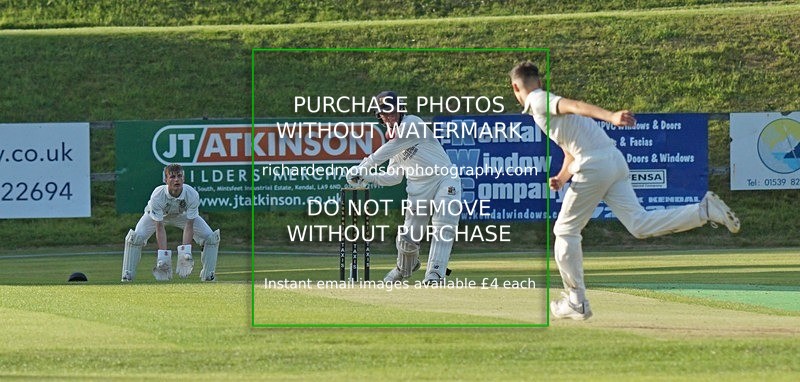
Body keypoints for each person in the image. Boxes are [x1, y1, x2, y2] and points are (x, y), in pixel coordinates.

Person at [509, 61, 740, 320]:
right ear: (538, 81)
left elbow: (574, 105)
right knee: (639, 224)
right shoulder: (545, 107)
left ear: (516, 87)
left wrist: (611, 116)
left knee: (564, 231)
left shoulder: (539, 100)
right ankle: (703, 210)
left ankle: (576, 301)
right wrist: (563, 178)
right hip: (612, 160)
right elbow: (569, 149)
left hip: (595, 164)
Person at [347, 90, 461, 284]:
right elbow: (394, 177)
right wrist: (367, 177)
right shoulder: (394, 143)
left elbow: (387, 150)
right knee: (407, 239)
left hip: (444, 179)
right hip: (418, 189)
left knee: (444, 223)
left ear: (400, 110)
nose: (389, 116)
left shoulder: (412, 123)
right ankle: (404, 268)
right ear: (379, 116)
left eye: (392, 111)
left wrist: (362, 167)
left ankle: (435, 274)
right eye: (385, 113)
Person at [121, 164, 220, 282]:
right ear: (165, 180)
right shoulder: (157, 196)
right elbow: (159, 226)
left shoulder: (192, 194)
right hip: (157, 217)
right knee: (135, 238)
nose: (176, 179)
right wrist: (163, 256)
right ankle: (127, 275)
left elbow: (189, 224)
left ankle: (209, 276)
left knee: (211, 238)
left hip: (181, 215)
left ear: (183, 178)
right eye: (172, 177)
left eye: (179, 176)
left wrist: (185, 252)